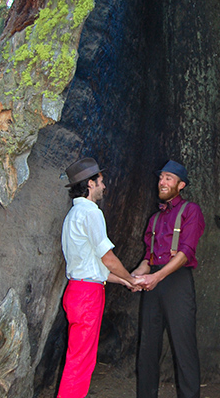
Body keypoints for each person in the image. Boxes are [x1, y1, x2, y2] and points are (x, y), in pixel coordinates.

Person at [57, 157, 144, 398]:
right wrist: (129, 276)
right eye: (101, 181)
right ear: (90, 184)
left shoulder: (72, 216)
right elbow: (108, 259)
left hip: (76, 290)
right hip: (87, 296)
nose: (104, 186)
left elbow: (94, 267)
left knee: (79, 357)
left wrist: (127, 282)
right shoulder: (91, 213)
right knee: (80, 362)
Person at [132, 160, 205, 398]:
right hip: (154, 282)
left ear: (181, 185)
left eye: (169, 178)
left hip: (177, 282)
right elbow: (147, 257)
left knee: (184, 348)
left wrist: (157, 276)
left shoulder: (190, 210)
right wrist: (136, 275)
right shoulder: (155, 218)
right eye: (161, 177)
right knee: (148, 347)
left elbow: (185, 253)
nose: (162, 182)